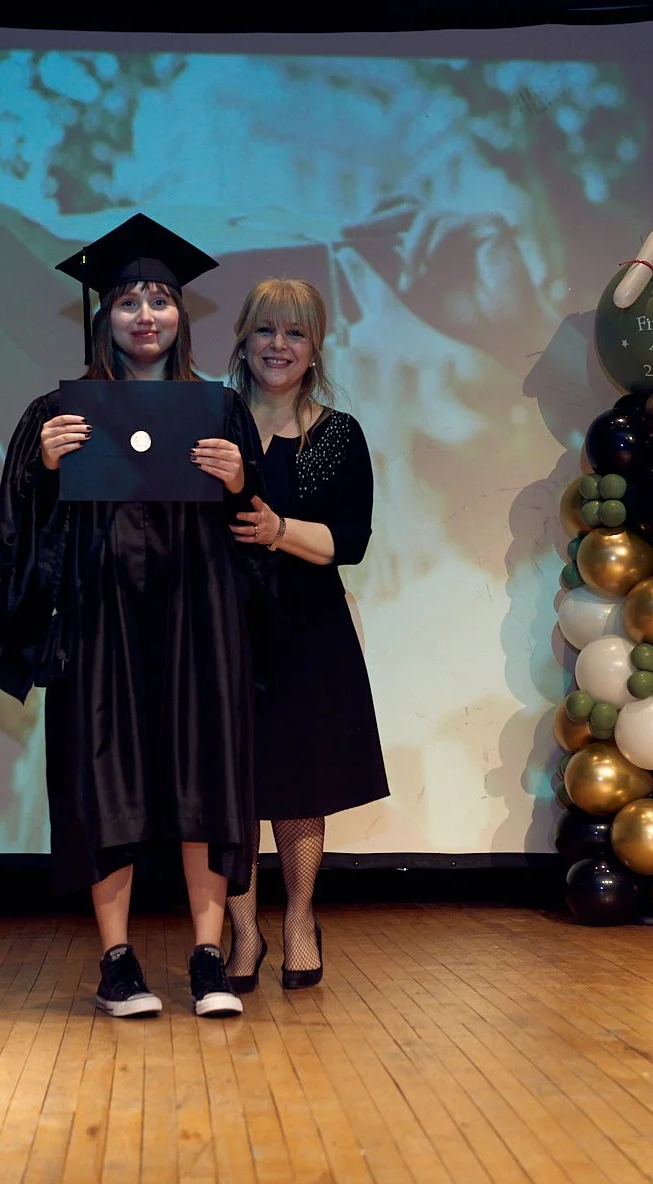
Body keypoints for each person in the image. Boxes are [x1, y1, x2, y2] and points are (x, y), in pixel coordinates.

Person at [0, 214, 269, 1020]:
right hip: (100, 623)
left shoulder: (218, 412)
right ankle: (116, 960)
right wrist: (42, 469)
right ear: (103, 315)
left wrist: (242, 477)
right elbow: (15, 534)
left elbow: (252, 529)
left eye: (161, 300)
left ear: (182, 315)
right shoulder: (57, 412)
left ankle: (209, 957)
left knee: (203, 774)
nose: (146, 315)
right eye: (129, 302)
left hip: (198, 620)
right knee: (103, 777)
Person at [221, 279, 391, 990]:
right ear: (244, 339)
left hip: (306, 629)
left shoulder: (336, 434)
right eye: (266, 331)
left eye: (294, 333)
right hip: (223, 626)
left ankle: (297, 917)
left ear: (315, 346)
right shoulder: (213, 424)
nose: (278, 346)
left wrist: (279, 531)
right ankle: (241, 933)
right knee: (225, 788)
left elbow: (348, 541)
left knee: (299, 784)